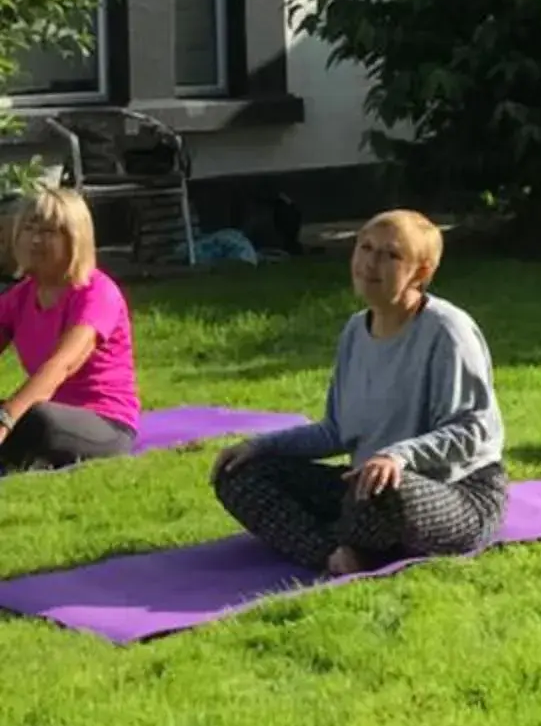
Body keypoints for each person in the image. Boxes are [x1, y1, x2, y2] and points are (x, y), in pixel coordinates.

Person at [212, 211, 506, 576]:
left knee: (382, 494)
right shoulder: (355, 331)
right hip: (364, 485)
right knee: (237, 473)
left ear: (421, 272)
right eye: (365, 248)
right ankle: (333, 554)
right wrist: (260, 446)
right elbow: (335, 431)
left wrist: (397, 457)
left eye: (390, 255)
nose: (370, 263)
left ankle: (333, 538)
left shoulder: (448, 331)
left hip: (455, 491)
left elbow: (471, 430)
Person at [0, 186, 141, 473]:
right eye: (29, 228)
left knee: (36, 419)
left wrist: (6, 418)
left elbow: (61, 365)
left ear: (74, 239)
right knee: (27, 416)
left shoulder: (97, 293)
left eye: (50, 232)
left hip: (105, 423)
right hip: (41, 414)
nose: (36, 239)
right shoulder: (20, 298)